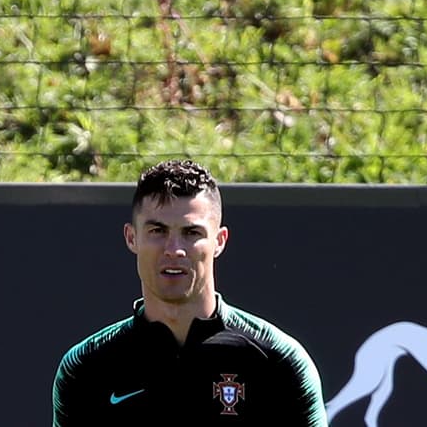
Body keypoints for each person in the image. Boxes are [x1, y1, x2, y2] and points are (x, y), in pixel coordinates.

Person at [52, 159, 328, 426]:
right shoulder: (85, 369)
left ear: (219, 241)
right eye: (157, 230)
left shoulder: (280, 363)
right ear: (131, 237)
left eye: (191, 232)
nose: (174, 249)